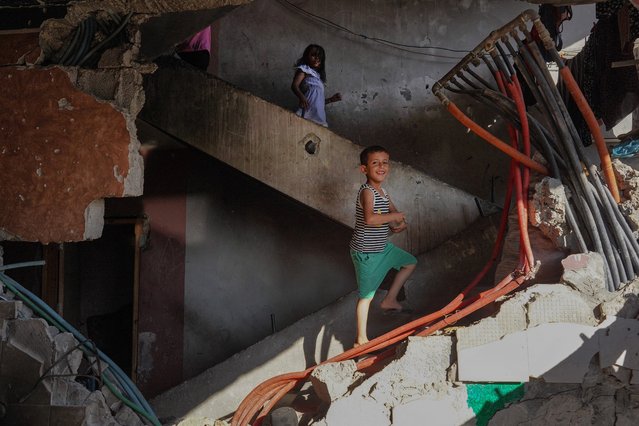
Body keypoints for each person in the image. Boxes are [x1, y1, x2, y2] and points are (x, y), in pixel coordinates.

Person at [349, 146, 417, 347]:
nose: (381, 166)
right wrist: (395, 217)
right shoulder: (367, 192)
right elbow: (370, 218)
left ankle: (389, 300)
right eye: (375, 163)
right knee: (366, 297)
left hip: (382, 248)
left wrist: (399, 224)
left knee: (410, 263)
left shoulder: (383, 191)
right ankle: (360, 340)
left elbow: (393, 212)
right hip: (366, 252)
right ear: (364, 169)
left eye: (385, 162)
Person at [291, 44, 341, 127]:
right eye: (313, 55)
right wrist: (301, 97)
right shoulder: (304, 69)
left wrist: (331, 100)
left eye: (319, 57)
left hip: (319, 114)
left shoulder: (319, 78)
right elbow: (294, 86)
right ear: (307, 56)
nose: (317, 59)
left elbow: (318, 101)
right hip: (308, 111)